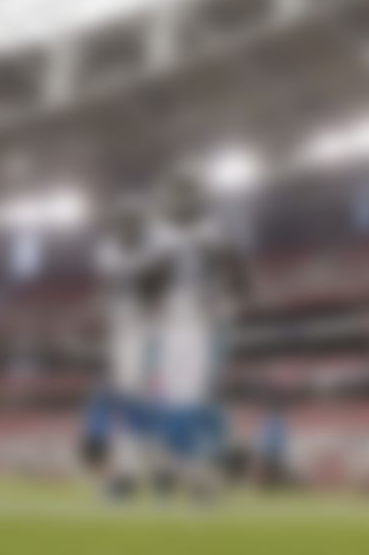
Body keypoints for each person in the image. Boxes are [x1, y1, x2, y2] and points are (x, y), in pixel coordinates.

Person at [146, 170, 250, 502]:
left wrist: (230, 302)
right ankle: (195, 465)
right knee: (179, 396)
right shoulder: (160, 236)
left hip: (204, 319)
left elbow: (239, 274)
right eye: (177, 196)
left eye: (186, 195)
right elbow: (150, 282)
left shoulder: (213, 232)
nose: (180, 203)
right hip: (174, 319)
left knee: (198, 395)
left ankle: (198, 467)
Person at [84, 199, 160, 500]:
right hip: (123, 333)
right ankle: (134, 472)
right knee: (127, 406)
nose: (127, 228)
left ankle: (132, 474)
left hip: (144, 333)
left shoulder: (151, 254)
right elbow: (109, 288)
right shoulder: (110, 252)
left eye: (132, 222)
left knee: (133, 405)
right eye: (123, 223)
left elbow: (153, 292)